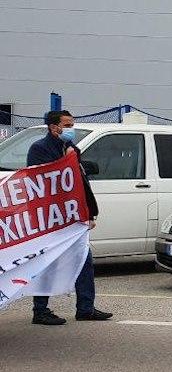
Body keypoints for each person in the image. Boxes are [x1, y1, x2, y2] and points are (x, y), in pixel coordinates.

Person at [27, 109, 112, 326]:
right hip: (50, 217)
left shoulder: (72, 149)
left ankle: (85, 308)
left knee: (84, 260)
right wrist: (64, 162)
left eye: (71, 124)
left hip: (73, 216)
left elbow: (80, 184)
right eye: (67, 125)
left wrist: (89, 213)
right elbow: (41, 181)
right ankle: (40, 310)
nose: (70, 129)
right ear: (53, 127)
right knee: (48, 263)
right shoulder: (39, 149)